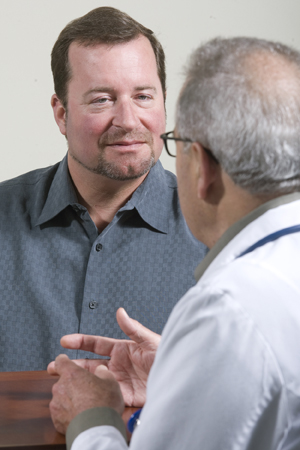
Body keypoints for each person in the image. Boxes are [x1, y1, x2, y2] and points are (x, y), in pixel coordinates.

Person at [48, 36, 300, 450]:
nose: (128, 121)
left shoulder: (227, 311)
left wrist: (90, 417)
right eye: (101, 100)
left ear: (200, 166)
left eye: (175, 142)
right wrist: (181, 372)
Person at [0, 7, 207, 372]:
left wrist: (179, 373)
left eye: (143, 96)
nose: (128, 121)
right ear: (61, 114)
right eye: (102, 99)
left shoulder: (215, 233)